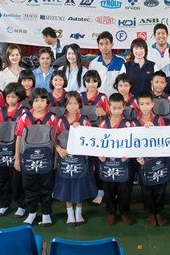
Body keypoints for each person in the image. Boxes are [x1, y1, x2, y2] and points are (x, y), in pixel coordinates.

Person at [15, 88, 60, 226]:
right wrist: (17, 158)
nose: (39, 103)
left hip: (46, 158)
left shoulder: (52, 118)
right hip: (28, 159)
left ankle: (46, 214)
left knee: (46, 187)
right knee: (29, 187)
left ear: (47, 102)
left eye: (42, 100)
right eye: (36, 100)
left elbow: (55, 139)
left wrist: (55, 158)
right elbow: (19, 138)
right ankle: (32, 212)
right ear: (31, 102)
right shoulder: (24, 117)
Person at [54, 92, 97, 225]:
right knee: (67, 185)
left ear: (79, 105)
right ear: (65, 105)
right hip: (65, 159)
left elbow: (91, 138)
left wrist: (82, 129)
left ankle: (78, 211)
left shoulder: (84, 120)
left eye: (75, 103)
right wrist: (58, 149)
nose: (72, 106)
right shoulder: (60, 120)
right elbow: (54, 138)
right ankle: (69, 212)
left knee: (79, 185)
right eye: (69, 103)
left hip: (80, 160)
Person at [99, 94, 136, 225]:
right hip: (107, 162)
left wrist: (128, 154)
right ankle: (111, 212)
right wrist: (100, 155)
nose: (116, 111)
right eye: (113, 108)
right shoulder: (103, 124)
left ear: (123, 107)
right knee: (108, 188)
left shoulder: (128, 124)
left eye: (119, 108)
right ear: (108, 107)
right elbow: (98, 143)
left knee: (125, 189)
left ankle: (124, 212)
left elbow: (133, 142)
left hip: (124, 162)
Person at [135, 92, 170, 227]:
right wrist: (137, 156)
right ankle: (150, 212)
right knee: (146, 187)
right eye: (142, 104)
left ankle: (159, 212)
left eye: (147, 104)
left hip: (159, 160)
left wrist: (153, 129)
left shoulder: (159, 120)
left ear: (152, 104)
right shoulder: (134, 122)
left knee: (160, 186)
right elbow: (132, 142)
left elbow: (164, 139)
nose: (145, 107)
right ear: (138, 105)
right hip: (143, 161)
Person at [0, 83, 26, 216]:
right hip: (1, 150)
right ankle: (4, 204)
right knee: (2, 179)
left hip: (16, 149)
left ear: (19, 97)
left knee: (17, 179)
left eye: (14, 97)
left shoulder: (24, 112)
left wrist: (19, 153)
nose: (11, 99)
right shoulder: (0, 111)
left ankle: (21, 205)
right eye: (8, 96)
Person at [89, 31, 127, 96]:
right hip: (99, 99)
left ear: (112, 44)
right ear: (98, 46)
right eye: (101, 44)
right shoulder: (93, 63)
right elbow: (91, 83)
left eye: (107, 43)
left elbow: (125, 82)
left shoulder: (121, 61)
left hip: (117, 98)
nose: (104, 46)